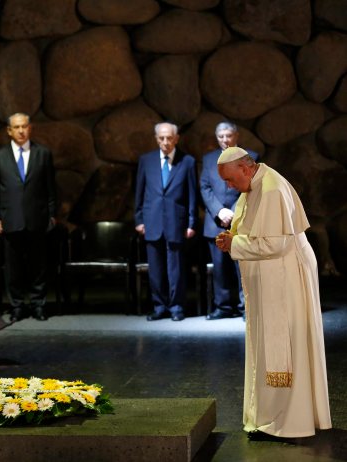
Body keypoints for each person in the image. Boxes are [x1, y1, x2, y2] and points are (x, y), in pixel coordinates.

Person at [215, 147, 331, 440]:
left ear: (245, 168)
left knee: (287, 346)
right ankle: (269, 417)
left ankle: (289, 421)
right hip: (273, 274)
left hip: (285, 275)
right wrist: (232, 237)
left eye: (230, 180)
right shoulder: (254, 185)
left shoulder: (271, 189)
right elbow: (251, 228)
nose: (229, 187)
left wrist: (234, 245)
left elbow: (275, 244)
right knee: (269, 345)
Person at [0, 113, 56, 322]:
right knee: (13, 266)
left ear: (30, 128)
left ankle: (38, 305)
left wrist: (52, 215)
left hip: (37, 218)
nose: (20, 131)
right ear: (9, 131)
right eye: (16, 127)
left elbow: (50, 189)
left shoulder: (43, 154)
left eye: (24, 126)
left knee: (38, 265)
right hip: (10, 219)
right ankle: (16, 305)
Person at [134, 122, 197, 321]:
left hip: (176, 222)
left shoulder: (187, 161)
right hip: (152, 221)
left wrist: (191, 222)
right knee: (156, 269)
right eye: (161, 138)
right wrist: (139, 219)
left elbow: (192, 195)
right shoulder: (146, 160)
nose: (165, 142)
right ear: (156, 139)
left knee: (176, 269)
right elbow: (140, 192)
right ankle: (159, 306)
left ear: (176, 139)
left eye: (169, 138)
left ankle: (177, 307)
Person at [200, 122, 259, 320]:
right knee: (220, 270)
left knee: (242, 268)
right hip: (216, 223)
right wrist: (220, 211)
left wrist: (233, 213)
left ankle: (246, 308)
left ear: (236, 136)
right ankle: (223, 307)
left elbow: (252, 188)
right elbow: (205, 188)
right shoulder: (208, 159)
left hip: (241, 222)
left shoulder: (251, 158)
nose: (225, 140)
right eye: (221, 136)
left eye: (228, 135)